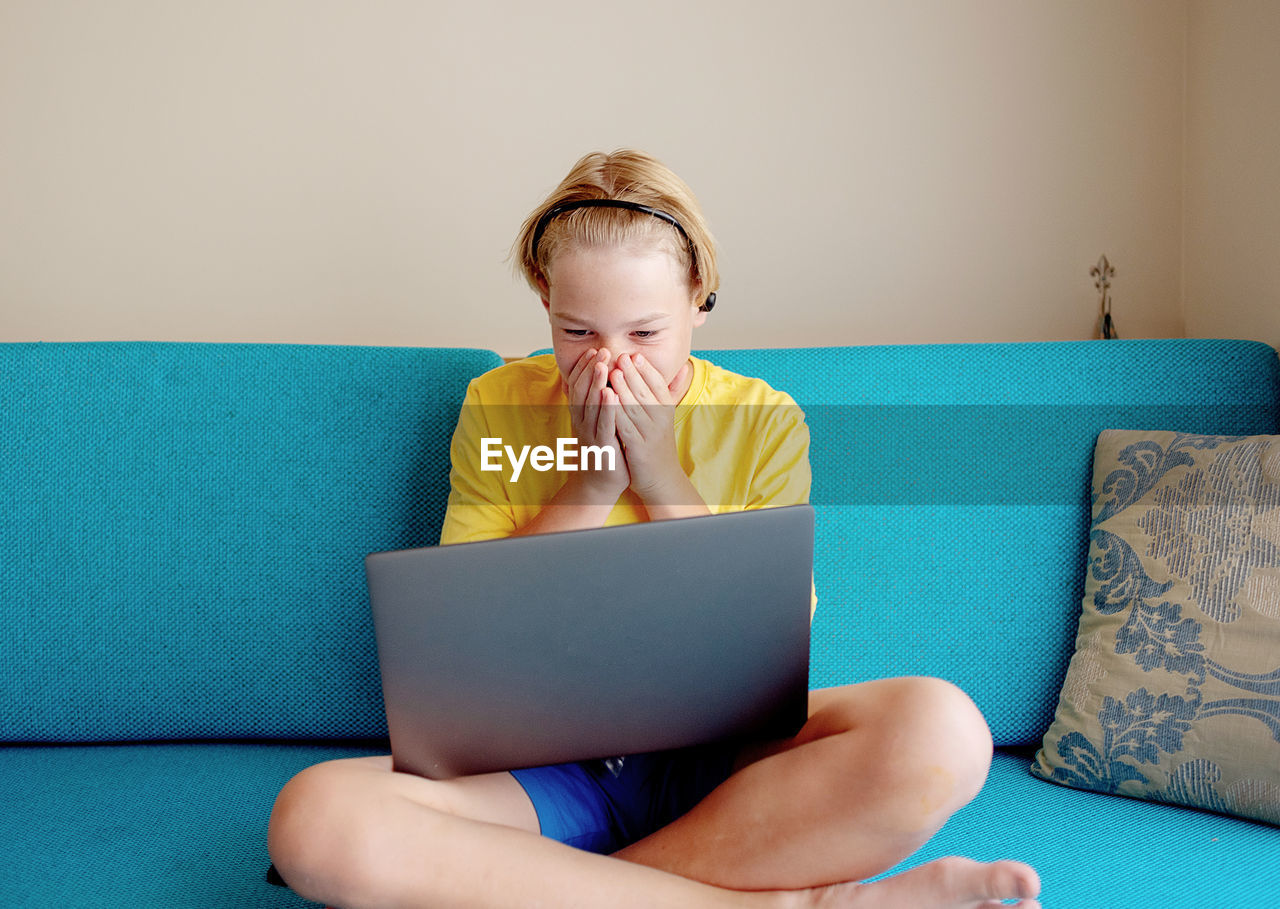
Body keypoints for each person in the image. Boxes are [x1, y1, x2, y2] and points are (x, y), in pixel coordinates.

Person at [268, 149, 1041, 909]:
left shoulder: (762, 419)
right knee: (314, 819)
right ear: (543, 296)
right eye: (577, 334)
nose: (608, 364)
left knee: (945, 731)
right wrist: (594, 477)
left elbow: (769, 640)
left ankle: (559, 887)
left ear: (699, 294)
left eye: (644, 335)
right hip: (535, 771)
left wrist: (659, 470)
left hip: (728, 770)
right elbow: (461, 636)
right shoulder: (497, 405)